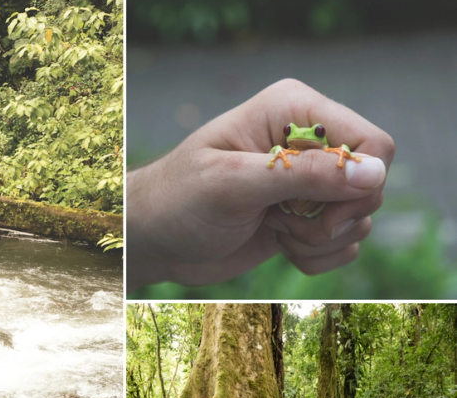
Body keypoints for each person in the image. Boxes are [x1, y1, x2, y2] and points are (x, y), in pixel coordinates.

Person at [126, 78, 395, 292]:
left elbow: (345, 148)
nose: (300, 136)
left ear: (323, 136)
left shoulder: (332, 150)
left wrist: (340, 153)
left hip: (314, 207)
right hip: (286, 203)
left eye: (318, 132)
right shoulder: (283, 149)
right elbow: (276, 149)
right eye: (289, 131)